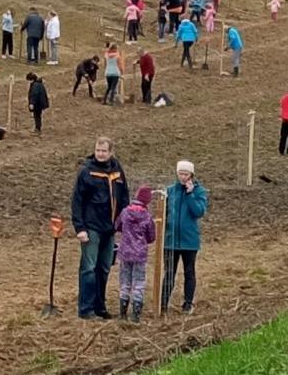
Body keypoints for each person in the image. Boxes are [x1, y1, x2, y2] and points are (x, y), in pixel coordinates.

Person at [70, 138, 130, 320]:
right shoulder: (87, 172)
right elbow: (77, 201)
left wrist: (124, 221)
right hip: (91, 227)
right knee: (88, 267)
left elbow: (124, 196)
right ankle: (86, 309)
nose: (100, 154)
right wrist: (80, 227)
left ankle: (99, 306)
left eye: (104, 151)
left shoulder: (117, 171)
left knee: (104, 267)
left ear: (111, 152)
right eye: (98, 150)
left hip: (109, 228)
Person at [163, 160, 209, 314]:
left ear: (192, 175)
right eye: (180, 174)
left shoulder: (199, 192)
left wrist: (190, 195)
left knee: (189, 272)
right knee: (169, 272)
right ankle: (163, 303)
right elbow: (164, 212)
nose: (183, 177)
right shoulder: (169, 190)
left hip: (189, 241)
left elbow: (199, 212)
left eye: (186, 174)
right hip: (171, 240)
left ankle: (187, 303)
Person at [113, 185, 157, 323]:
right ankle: (136, 314)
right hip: (140, 255)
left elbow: (117, 226)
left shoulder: (125, 212)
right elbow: (151, 237)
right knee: (139, 282)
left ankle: (122, 313)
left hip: (125, 253)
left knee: (125, 281)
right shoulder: (147, 216)